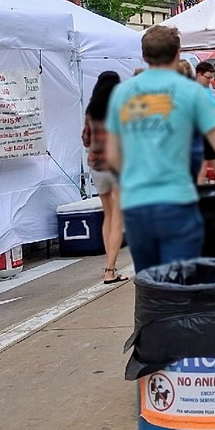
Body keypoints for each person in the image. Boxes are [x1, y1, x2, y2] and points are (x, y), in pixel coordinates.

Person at [105, 27, 215, 274]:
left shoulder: (123, 93)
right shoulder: (190, 92)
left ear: (144, 55)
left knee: (150, 281)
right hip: (177, 198)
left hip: (137, 201)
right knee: (181, 279)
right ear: (178, 53)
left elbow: (113, 154)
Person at [82, 71, 126, 284]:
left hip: (97, 166)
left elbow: (85, 139)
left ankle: (110, 268)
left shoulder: (91, 110)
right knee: (117, 216)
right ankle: (110, 269)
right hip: (117, 166)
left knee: (107, 214)